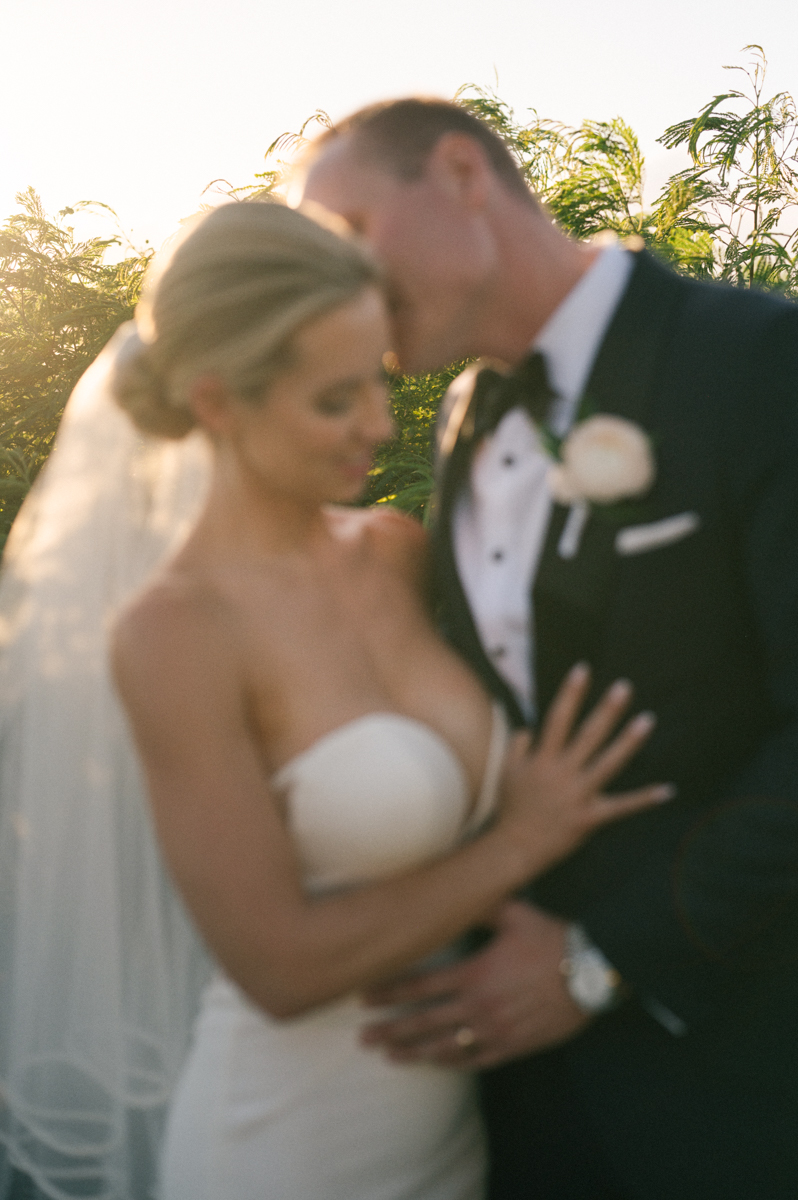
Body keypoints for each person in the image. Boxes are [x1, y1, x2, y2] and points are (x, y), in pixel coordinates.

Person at [0, 199, 666, 1200]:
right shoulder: (173, 634)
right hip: (289, 1145)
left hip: (464, 1132)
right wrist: (522, 841)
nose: (378, 425)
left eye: (380, 384)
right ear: (219, 402)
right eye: (332, 400)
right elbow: (278, 964)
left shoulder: (396, 553)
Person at [300, 98, 798, 1200]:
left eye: (353, 239)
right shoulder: (468, 416)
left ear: (464, 175)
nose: (342, 290)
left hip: (726, 1089)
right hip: (507, 1102)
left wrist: (600, 960)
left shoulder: (760, 361)